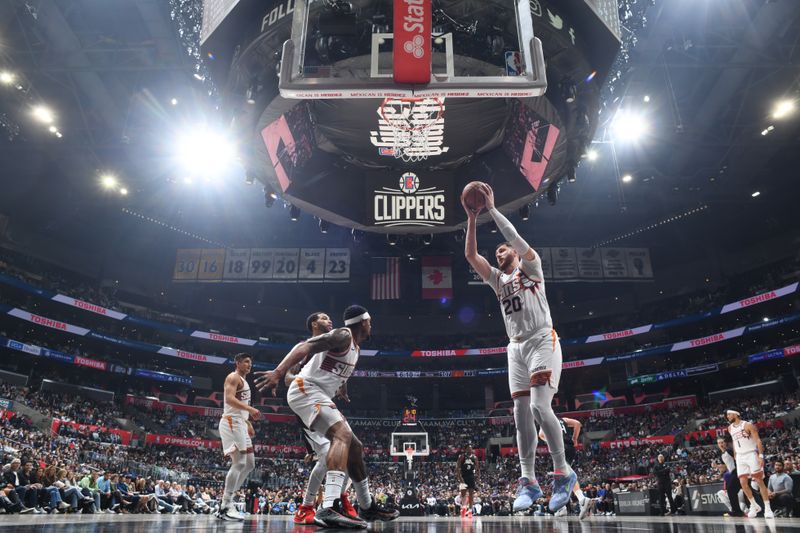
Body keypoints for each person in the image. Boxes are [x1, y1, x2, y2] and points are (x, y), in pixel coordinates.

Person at [462, 183, 575, 513]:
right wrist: (471, 218)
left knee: (541, 407)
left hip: (542, 339)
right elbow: (471, 256)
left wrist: (493, 209)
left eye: (503, 250)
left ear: (514, 251)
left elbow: (514, 238)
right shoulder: (497, 280)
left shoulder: (531, 267)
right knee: (520, 414)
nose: (499, 253)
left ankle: (562, 472)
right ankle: (528, 480)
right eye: (497, 252)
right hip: (515, 348)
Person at [256, 305, 400, 528]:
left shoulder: (356, 349)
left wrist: (342, 386)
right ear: (363, 322)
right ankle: (329, 506)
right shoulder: (343, 335)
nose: (371, 326)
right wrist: (278, 372)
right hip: (305, 389)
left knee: (355, 447)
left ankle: (367, 506)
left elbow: (335, 370)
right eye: (370, 322)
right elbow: (304, 347)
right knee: (341, 435)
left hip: (320, 394)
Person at [288, 311, 358, 525]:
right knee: (330, 453)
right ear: (313, 323)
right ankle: (306, 506)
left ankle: (338, 498)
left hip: (324, 400)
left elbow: (338, 370)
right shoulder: (304, 347)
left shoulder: (333, 342)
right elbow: (288, 378)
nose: (330, 320)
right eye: (325, 318)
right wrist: (299, 376)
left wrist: (342, 386)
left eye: (330, 318)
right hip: (307, 400)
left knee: (346, 449)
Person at [216, 352, 262, 521]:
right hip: (231, 422)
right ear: (237, 363)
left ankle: (229, 501)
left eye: (251, 362)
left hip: (240, 423)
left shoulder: (244, 381)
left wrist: (247, 422)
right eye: (246, 362)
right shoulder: (233, 377)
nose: (249, 365)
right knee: (239, 462)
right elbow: (229, 399)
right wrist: (250, 411)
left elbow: (240, 407)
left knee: (250, 464)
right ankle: (226, 505)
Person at [537, 417, 594, 519]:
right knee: (565, 476)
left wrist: (550, 441)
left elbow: (541, 435)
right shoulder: (563, 419)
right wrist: (575, 438)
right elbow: (577, 423)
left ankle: (580, 500)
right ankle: (565, 506)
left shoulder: (545, 420)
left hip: (559, 447)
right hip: (570, 448)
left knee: (564, 476)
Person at [726, 409, 774, 518]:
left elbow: (758, 441)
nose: (727, 416)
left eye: (729, 414)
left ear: (736, 414)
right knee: (743, 483)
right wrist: (735, 454)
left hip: (751, 454)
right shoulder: (730, 428)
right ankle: (754, 506)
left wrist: (761, 455)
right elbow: (734, 442)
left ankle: (767, 508)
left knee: (758, 481)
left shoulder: (747, 425)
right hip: (740, 456)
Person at [716, 436, 743, 516]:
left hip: (737, 471)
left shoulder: (729, 451)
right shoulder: (722, 454)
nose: (721, 444)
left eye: (722, 442)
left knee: (731, 490)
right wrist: (719, 472)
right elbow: (725, 466)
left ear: (725, 443)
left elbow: (737, 459)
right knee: (731, 491)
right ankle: (736, 510)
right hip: (732, 472)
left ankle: (736, 510)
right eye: (719, 443)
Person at [456, 444, 480, 518]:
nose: (470, 449)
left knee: (471, 494)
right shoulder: (462, 456)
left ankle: (470, 510)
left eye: (471, 448)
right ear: (465, 449)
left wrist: (478, 477)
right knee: (463, 494)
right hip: (463, 477)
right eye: (468, 448)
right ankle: (463, 508)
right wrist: (460, 478)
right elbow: (457, 468)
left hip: (471, 477)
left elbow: (478, 468)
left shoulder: (474, 457)